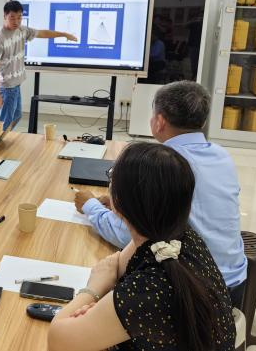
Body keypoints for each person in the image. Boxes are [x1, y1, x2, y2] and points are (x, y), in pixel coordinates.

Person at [74, 81, 247, 306]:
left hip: (195, 291)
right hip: (236, 280)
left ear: (159, 121)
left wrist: (91, 206)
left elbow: (129, 237)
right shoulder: (222, 155)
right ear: (203, 122)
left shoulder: (165, 166)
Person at [50, 142, 236, 351]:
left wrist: (92, 289)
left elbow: (57, 342)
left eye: (111, 177)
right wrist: (103, 313)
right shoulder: (182, 235)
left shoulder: (143, 292)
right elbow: (117, 264)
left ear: (118, 202)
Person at [0, 0, 77, 129]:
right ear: (5, 16)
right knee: (5, 123)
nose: (16, 21)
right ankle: (0, 141)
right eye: (12, 18)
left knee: (17, 115)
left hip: (16, 85)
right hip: (6, 87)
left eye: (19, 17)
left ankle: (5, 137)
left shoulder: (21, 30)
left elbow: (42, 33)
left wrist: (63, 34)